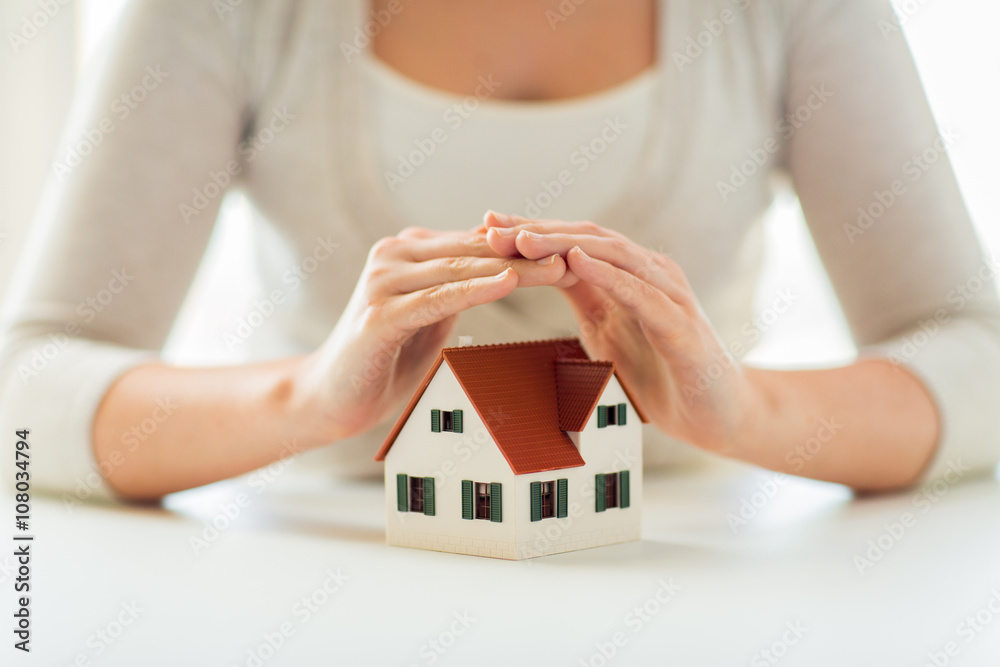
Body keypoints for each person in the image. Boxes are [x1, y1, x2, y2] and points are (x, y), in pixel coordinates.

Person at [1, 0, 997, 502]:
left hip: (702, 576)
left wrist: (749, 408)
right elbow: (27, 385)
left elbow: (974, 353)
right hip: (316, 576)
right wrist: (304, 401)